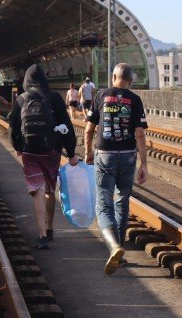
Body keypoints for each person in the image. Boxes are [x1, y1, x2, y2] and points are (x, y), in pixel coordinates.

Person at [84, 63, 148, 275]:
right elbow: (139, 133)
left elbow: (89, 129)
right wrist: (144, 164)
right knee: (122, 201)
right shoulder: (135, 100)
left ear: (114, 77)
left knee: (104, 204)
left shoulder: (101, 95)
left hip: (105, 155)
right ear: (130, 80)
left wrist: (87, 152)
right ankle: (119, 252)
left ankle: (114, 247)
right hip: (128, 156)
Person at [9, 65, 79, 249]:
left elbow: (13, 127)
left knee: (37, 192)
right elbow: (67, 126)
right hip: (52, 151)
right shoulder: (54, 97)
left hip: (30, 151)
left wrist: (17, 146)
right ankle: (49, 228)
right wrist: (71, 153)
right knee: (49, 191)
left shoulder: (21, 99)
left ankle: (41, 236)